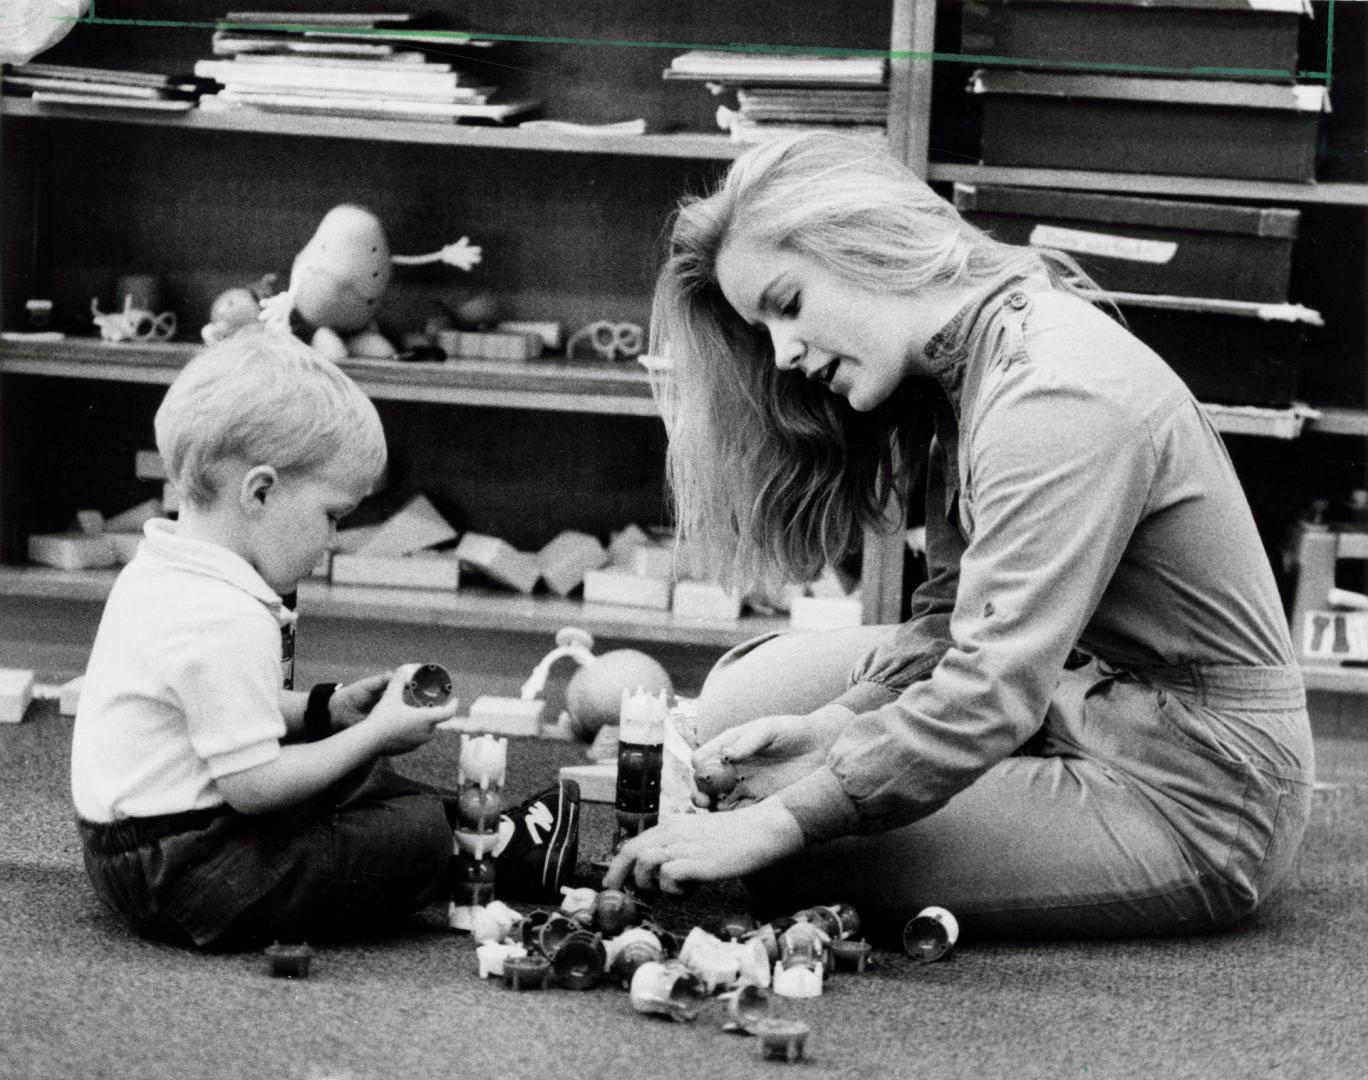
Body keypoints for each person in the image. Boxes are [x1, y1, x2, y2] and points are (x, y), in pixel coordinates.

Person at [605, 132, 1314, 941]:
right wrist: (839, 724)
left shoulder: (1052, 394)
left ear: (867, 245)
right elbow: (953, 620)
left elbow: (990, 685)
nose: (784, 354)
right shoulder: (962, 369)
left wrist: (783, 821)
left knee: (785, 848)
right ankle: (965, 785)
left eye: (788, 303)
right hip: (1077, 696)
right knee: (745, 706)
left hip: (1198, 787)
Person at [72, 331, 578, 950]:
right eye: (333, 516)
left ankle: (488, 835)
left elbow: (219, 709)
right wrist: (371, 734)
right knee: (407, 833)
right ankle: (477, 846)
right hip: (184, 872)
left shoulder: (164, 569)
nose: (334, 539)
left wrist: (325, 709)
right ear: (260, 492)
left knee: (348, 768)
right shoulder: (224, 616)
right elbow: (254, 787)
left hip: (136, 845)